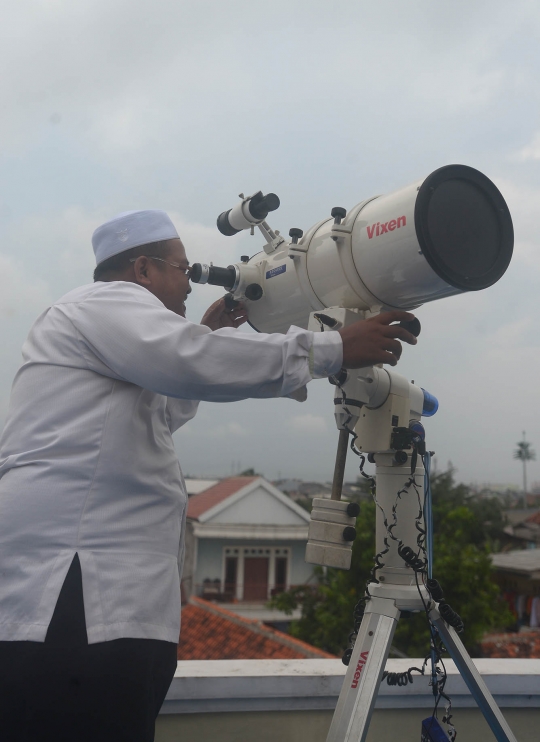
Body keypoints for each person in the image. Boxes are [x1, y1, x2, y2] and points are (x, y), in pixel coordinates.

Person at [0, 209, 418, 741]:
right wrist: (333, 349)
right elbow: (185, 360)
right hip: (73, 597)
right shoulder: (104, 302)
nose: (188, 283)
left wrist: (206, 331)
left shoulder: (107, 329)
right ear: (144, 270)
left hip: (94, 602)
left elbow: (164, 404)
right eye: (181, 270)